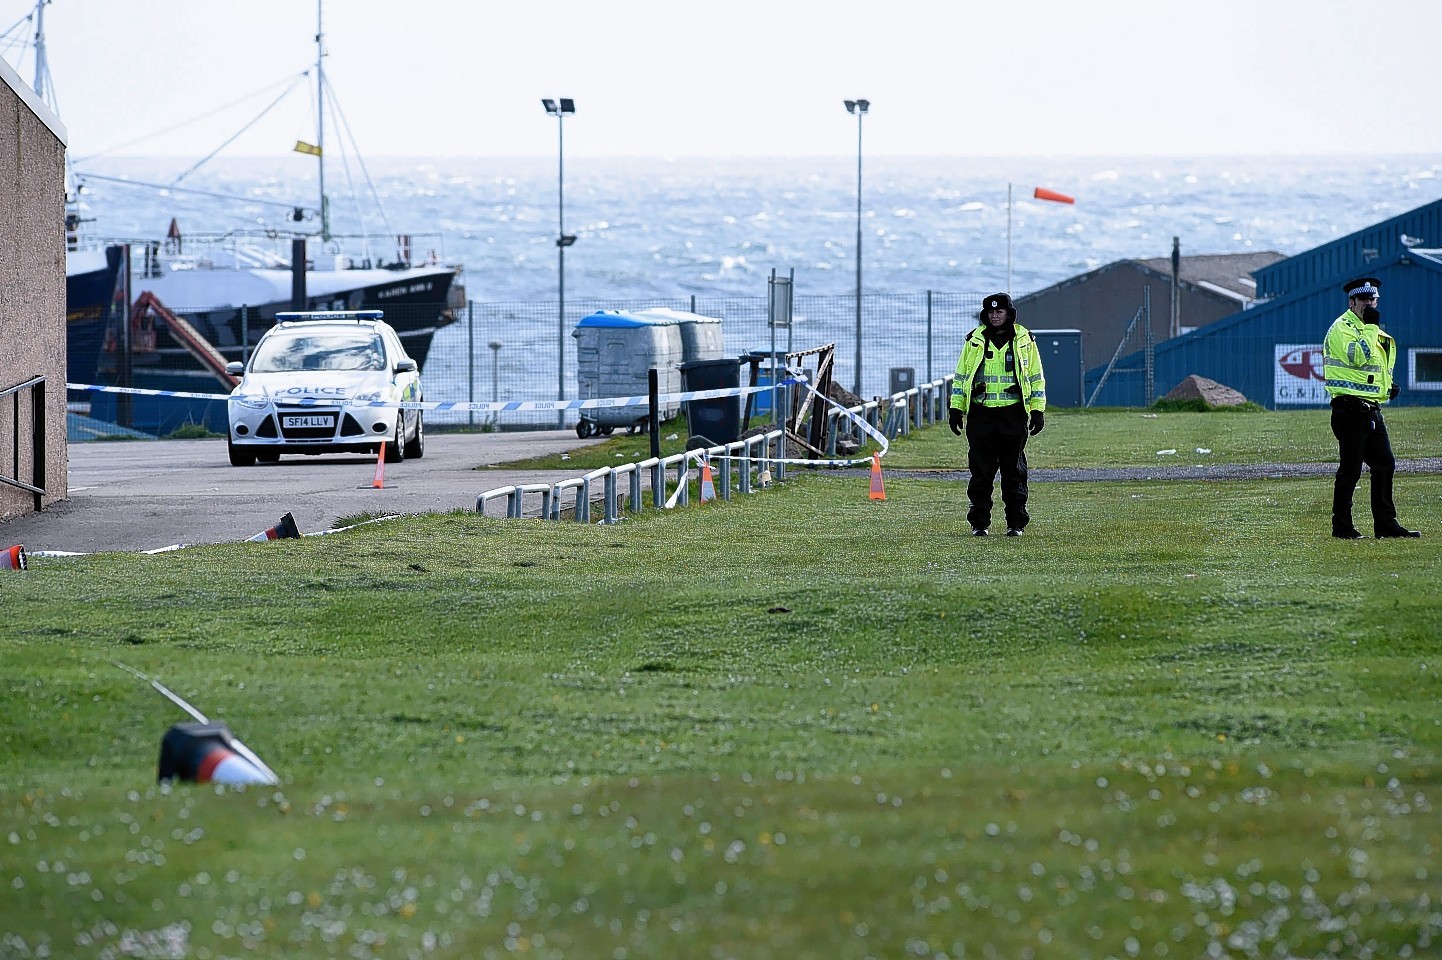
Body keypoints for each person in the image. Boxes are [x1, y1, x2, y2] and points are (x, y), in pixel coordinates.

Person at [1323, 276, 1419, 539]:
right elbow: (1357, 357)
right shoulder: (1343, 328)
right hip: (1348, 410)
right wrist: (1370, 327)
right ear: (1352, 302)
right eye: (1363, 300)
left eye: (1372, 299)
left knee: (1385, 464)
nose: (1369, 304)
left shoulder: (1372, 329)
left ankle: (1386, 525)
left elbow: (1374, 368)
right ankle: (1342, 527)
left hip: (1370, 409)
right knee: (1351, 469)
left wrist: (1387, 388)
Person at [948, 292, 1046, 536]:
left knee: (1014, 471)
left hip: (1013, 414)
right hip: (981, 414)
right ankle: (979, 524)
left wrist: (1037, 411)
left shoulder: (1025, 340)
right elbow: (961, 377)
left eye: (999, 311)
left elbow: (1036, 377)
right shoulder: (974, 340)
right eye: (991, 312)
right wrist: (956, 408)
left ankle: (1016, 523)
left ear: (1009, 313)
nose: (994, 315)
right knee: (981, 472)